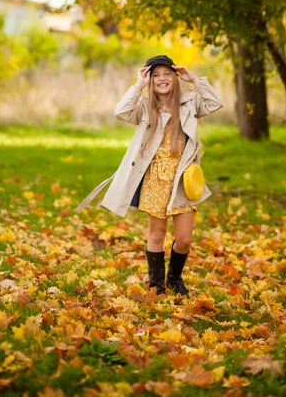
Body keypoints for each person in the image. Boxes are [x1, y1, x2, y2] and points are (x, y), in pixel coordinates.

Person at [76, 54, 223, 296]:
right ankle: (157, 286)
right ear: (150, 79)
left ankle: (174, 278)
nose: (162, 79)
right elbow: (120, 112)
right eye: (156, 75)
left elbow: (215, 102)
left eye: (167, 74)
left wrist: (195, 79)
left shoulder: (189, 103)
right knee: (157, 234)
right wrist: (138, 85)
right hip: (155, 178)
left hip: (182, 179)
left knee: (184, 238)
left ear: (175, 78)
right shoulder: (145, 108)